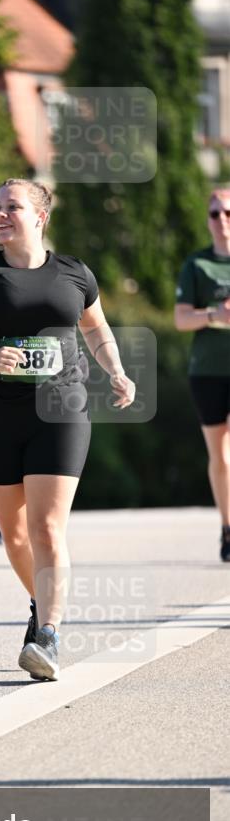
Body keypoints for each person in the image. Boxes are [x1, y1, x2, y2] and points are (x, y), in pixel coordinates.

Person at [0, 178, 135, 681]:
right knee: (13, 534)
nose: (1, 215)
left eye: (12, 207)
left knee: (46, 526)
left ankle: (48, 635)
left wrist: (116, 369)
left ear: (40, 216)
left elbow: (95, 328)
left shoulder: (74, 273)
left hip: (62, 408)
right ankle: (40, 602)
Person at [175, 187, 230, 562]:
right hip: (208, 371)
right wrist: (214, 315)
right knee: (221, 454)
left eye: (228, 212)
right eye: (215, 213)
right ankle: (227, 527)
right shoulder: (197, 265)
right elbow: (181, 318)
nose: (222, 220)